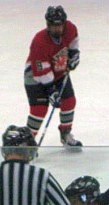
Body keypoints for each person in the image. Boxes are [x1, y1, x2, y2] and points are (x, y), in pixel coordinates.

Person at [24, 5, 82, 149]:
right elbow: (41, 72)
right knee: (39, 110)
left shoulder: (70, 29)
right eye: (54, 27)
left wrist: (74, 55)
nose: (58, 29)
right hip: (35, 77)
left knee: (69, 102)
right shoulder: (39, 41)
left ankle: (66, 134)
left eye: (60, 26)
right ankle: (27, 145)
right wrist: (51, 91)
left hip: (59, 72)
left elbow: (73, 44)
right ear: (48, 25)